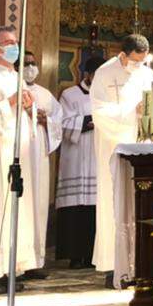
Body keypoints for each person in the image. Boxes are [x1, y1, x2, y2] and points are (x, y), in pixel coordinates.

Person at [90, 35, 153, 276]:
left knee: (139, 201)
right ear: (122, 55)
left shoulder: (146, 73)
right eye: (135, 61)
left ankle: (139, 260)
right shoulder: (104, 73)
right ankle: (112, 264)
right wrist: (129, 112)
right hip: (114, 144)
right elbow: (99, 111)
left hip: (140, 141)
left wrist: (149, 112)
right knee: (113, 199)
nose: (139, 66)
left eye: (143, 61)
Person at [0, 25, 38, 289]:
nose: (15, 46)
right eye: (9, 42)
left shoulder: (17, 77)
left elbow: (25, 112)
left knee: (19, 204)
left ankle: (14, 267)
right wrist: (11, 103)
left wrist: (28, 106)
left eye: (16, 41)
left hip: (18, 148)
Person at [56, 57, 99, 269]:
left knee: (95, 208)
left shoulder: (107, 96)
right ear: (87, 74)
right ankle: (75, 255)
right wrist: (86, 122)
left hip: (97, 157)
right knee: (76, 207)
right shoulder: (69, 95)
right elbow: (61, 122)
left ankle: (93, 255)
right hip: (77, 155)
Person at [22, 50, 62, 279]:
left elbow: (59, 119)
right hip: (19, 154)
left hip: (39, 157)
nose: (30, 67)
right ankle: (18, 261)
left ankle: (36, 261)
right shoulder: (12, 89)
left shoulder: (45, 94)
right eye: (26, 63)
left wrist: (47, 120)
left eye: (33, 63)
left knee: (37, 206)